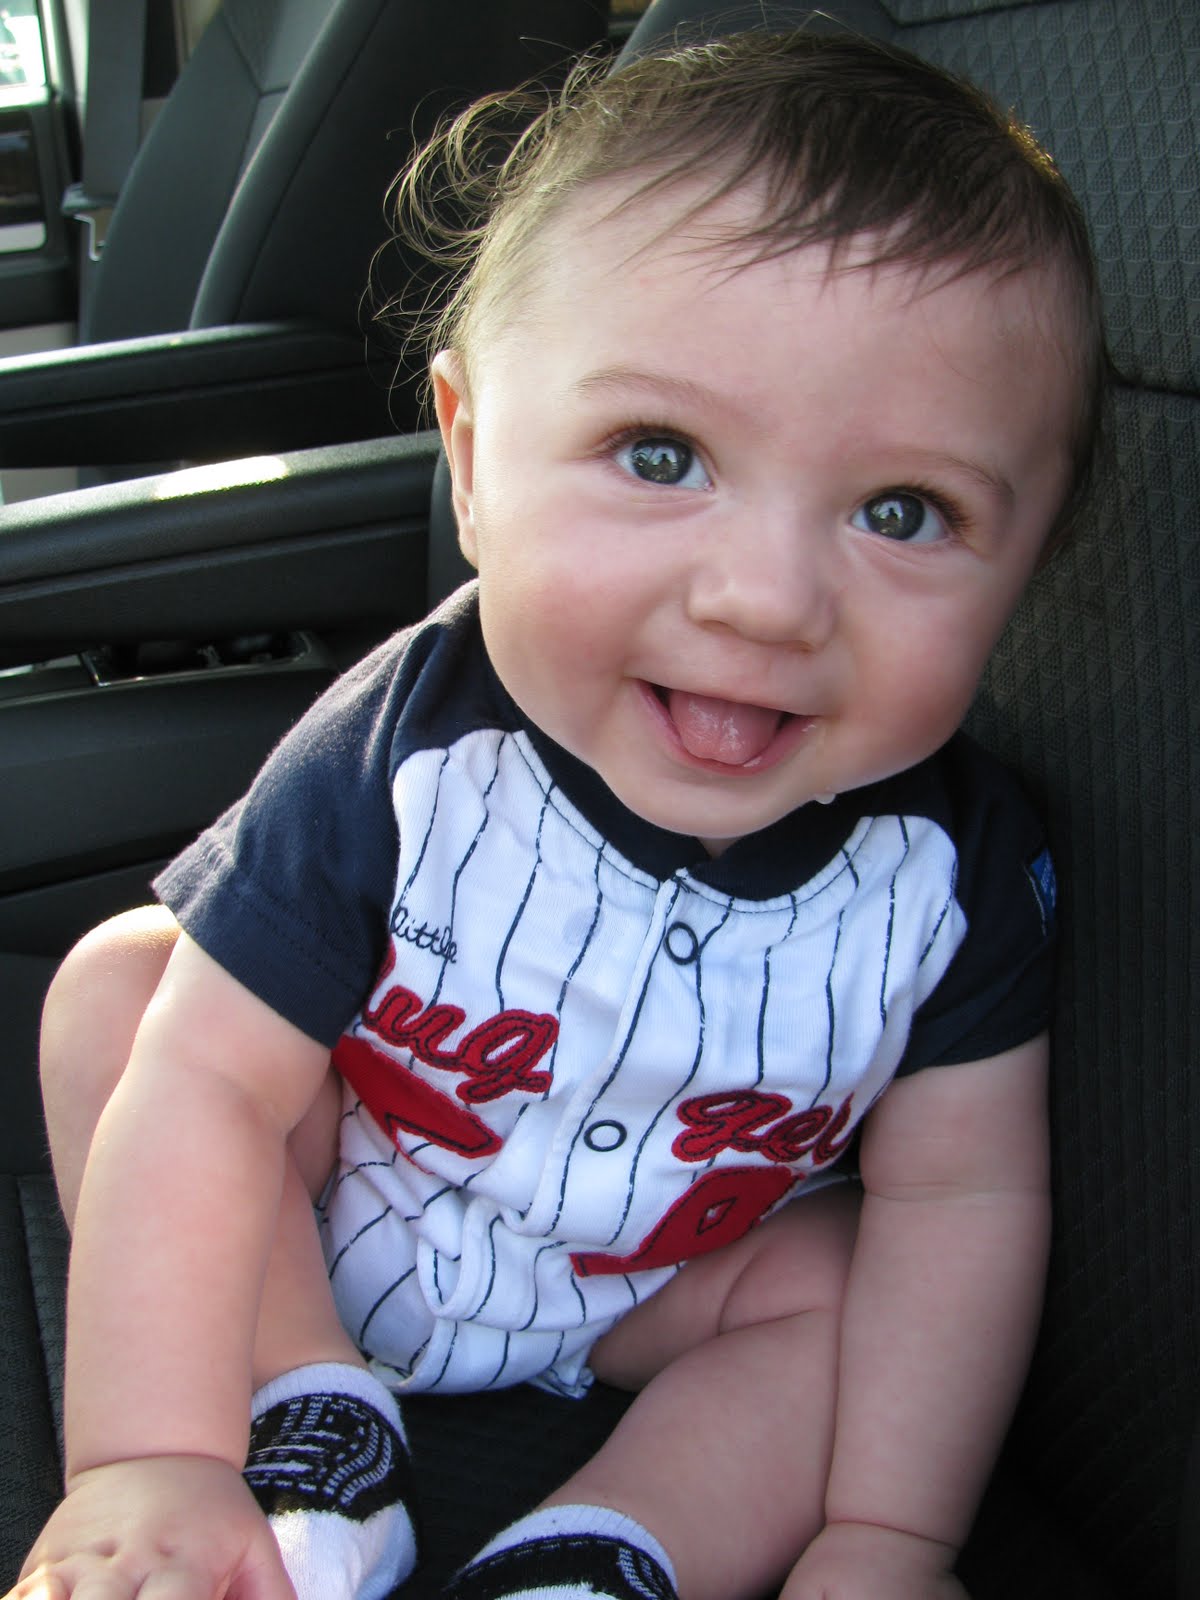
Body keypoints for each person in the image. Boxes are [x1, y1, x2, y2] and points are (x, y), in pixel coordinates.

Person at [13, 27, 1107, 1600]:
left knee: (860, 1281)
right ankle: (305, 1411)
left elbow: (966, 1194)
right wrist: (146, 1455)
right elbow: (213, 1087)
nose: (764, 598)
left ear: (1029, 566)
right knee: (124, 999)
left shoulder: (958, 872)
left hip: (654, 1286)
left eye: (903, 512)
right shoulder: (411, 748)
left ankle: (610, 1550)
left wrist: (890, 1536)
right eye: (661, 456)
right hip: (341, 1197)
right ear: (471, 460)